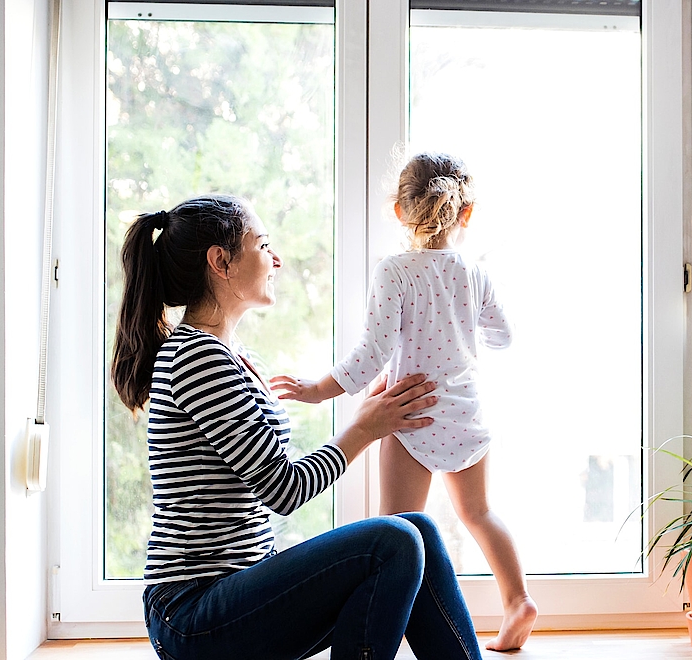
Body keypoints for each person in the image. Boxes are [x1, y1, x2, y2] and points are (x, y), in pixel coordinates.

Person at [111, 194, 484, 660]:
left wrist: (369, 418)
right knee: (395, 541)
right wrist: (363, 430)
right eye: (264, 245)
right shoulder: (197, 358)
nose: (277, 259)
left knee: (418, 530)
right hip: (192, 614)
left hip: (234, 591)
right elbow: (283, 489)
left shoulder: (231, 356)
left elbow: (266, 470)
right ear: (220, 261)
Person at [270, 153, 538, 652]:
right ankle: (518, 600)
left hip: (408, 413)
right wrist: (461, 323)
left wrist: (314, 389)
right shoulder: (472, 272)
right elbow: (503, 335)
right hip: (464, 412)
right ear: (467, 213)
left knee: (398, 534)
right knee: (479, 513)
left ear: (399, 211)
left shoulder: (393, 272)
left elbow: (370, 356)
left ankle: (388, 635)